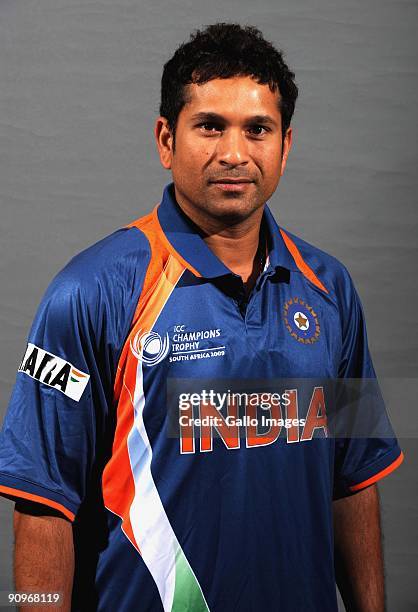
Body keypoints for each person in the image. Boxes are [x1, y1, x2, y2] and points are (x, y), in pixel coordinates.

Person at [0, 23, 404, 612]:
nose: (235, 153)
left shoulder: (331, 289)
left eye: (257, 130)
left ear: (285, 146)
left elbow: (355, 478)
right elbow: (41, 505)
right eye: (210, 125)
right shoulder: (88, 292)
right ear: (166, 140)